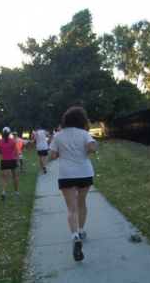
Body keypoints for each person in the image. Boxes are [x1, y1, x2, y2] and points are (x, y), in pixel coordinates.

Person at [49, 107, 98, 262]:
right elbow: (91, 148)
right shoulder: (84, 134)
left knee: (71, 208)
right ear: (82, 120)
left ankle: (75, 236)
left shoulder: (58, 136)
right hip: (84, 172)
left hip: (66, 174)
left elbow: (54, 156)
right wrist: (93, 146)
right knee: (81, 203)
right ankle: (82, 230)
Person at [0, 127, 20, 201]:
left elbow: (0, 152)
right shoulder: (12, 141)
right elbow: (16, 152)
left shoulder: (0, 142)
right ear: (9, 133)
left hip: (4, 161)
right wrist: (18, 161)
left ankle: (3, 192)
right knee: (15, 177)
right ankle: (16, 191)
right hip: (12, 160)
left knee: (4, 178)